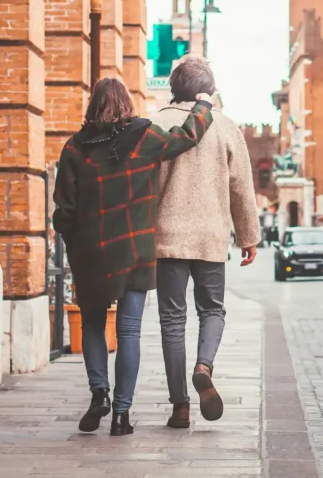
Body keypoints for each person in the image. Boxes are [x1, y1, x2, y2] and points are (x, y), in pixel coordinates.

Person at [53, 78, 213, 436]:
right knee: (129, 331)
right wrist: (204, 104)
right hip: (135, 248)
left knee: (93, 325)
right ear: (126, 103)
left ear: (94, 106)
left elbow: (63, 210)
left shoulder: (76, 148)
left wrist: (78, 244)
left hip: (92, 251)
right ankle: (122, 414)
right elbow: (187, 136)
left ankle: (99, 394)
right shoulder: (145, 137)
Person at [152, 56, 260, 430]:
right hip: (211, 235)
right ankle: (204, 366)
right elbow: (241, 188)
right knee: (212, 311)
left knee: (171, 320)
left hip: (165, 237)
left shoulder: (155, 123)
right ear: (207, 90)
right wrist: (249, 236)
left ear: (174, 87)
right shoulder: (226, 127)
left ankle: (180, 407)